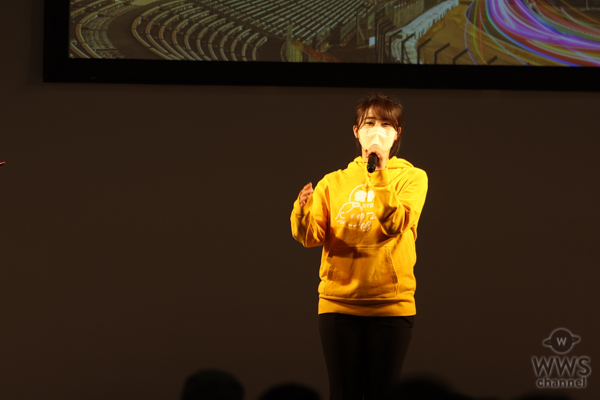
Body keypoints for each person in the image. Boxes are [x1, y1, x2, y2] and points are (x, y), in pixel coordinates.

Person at [290, 93, 428, 400]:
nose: (377, 130)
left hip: (391, 306)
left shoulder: (413, 178)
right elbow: (310, 237)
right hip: (339, 304)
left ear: (397, 133)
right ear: (356, 131)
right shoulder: (332, 182)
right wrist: (302, 210)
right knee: (343, 393)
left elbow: (394, 224)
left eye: (386, 124)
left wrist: (379, 174)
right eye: (369, 123)